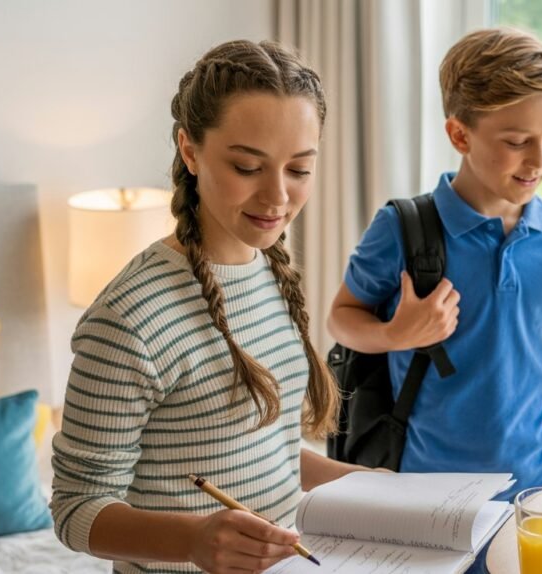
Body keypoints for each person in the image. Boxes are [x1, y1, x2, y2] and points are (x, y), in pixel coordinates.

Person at [51, 40, 365, 574]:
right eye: (247, 166)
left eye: (299, 170)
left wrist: (357, 484)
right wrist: (195, 541)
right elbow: (75, 509)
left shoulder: (271, 270)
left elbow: (262, 447)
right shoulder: (129, 320)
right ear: (189, 150)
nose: (277, 197)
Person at [328, 28, 542, 501]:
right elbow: (341, 317)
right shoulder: (402, 228)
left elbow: (539, 361)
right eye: (517, 141)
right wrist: (395, 336)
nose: (539, 159)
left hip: (536, 477)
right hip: (428, 481)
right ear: (459, 134)